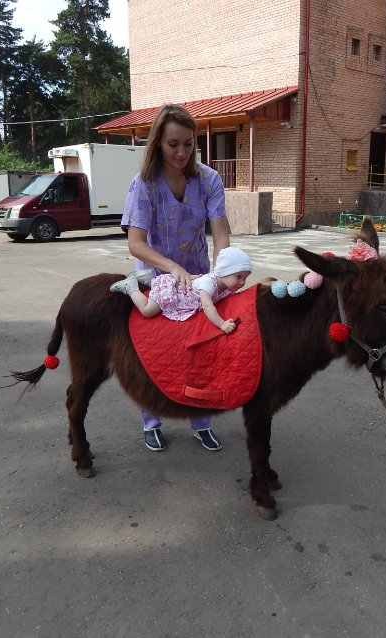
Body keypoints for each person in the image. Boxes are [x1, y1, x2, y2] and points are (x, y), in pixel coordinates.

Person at [118, 103, 232, 453]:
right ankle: (151, 420)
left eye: (187, 143)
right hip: (156, 277)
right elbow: (136, 244)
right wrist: (172, 269)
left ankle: (201, 421)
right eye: (172, 144)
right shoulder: (145, 185)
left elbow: (221, 235)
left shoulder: (209, 180)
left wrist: (222, 273)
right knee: (153, 351)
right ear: (157, 144)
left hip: (196, 274)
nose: (181, 152)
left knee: (200, 349)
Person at [112, 246, 251, 333]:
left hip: (187, 290)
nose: (242, 282)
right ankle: (131, 287)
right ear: (224, 271)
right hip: (174, 293)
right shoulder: (209, 284)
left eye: (245, 278)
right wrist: (222, 324)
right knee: (148, 310)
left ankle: (146, 281)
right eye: (238, 276)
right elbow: (207, 306)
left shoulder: (227, 285)